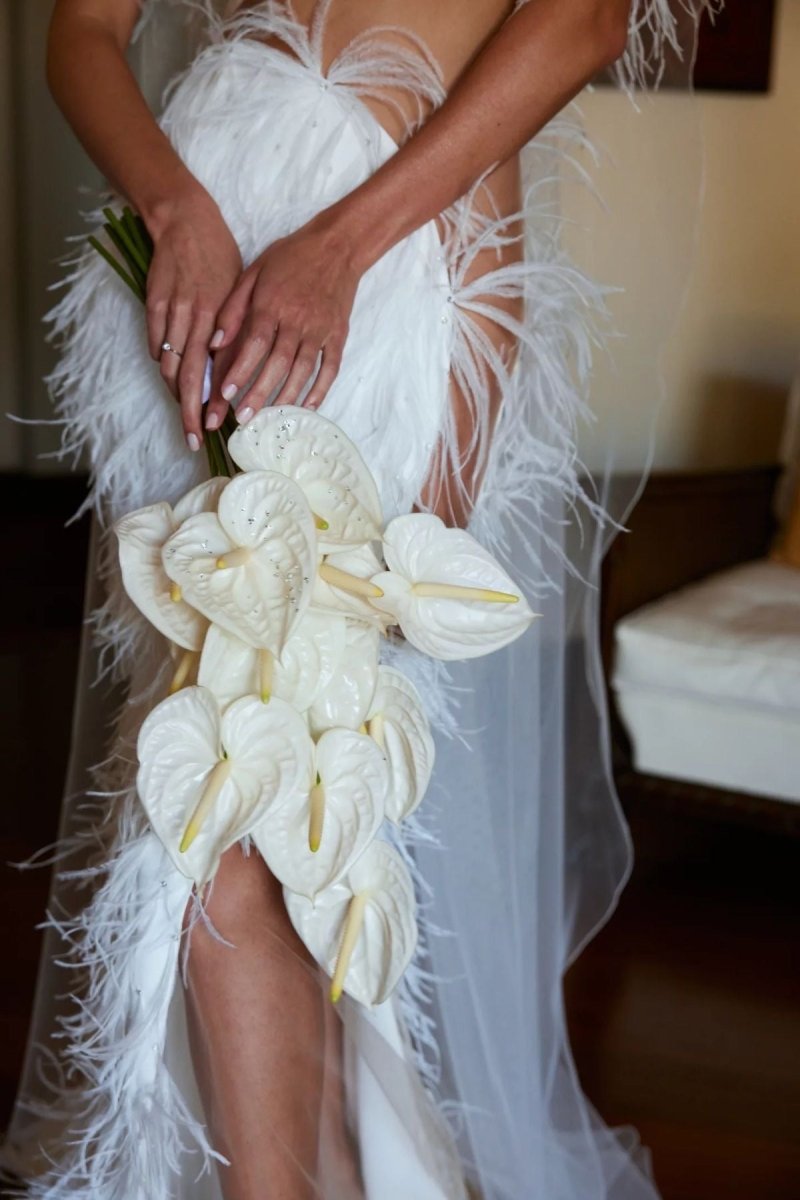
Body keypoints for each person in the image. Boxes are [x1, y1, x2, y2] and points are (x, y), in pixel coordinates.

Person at [2, 2, 714, 1198]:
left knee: (254, 805)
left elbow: (586, 20)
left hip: (396, 270)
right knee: (219, 803)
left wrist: (337, 250)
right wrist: (175, 212)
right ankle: (331, 1163)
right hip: (198, 269)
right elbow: (83, 29)